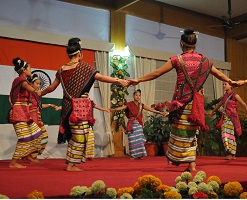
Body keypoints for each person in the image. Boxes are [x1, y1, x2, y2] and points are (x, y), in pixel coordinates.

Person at [129, 27, 234, 172]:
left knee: (182, 132)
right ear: (195, 44)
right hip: (196, 104)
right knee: (191, 133)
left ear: (181, 44)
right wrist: (232, 81)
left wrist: (139, 80)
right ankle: (191, 164)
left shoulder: (177, 59)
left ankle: (190, 164)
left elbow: (157, 73)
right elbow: (219, 74)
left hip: (181, 104)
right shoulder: (204, 61)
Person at [40, 38, 129, 171]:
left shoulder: (61, 70)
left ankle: (72, 162)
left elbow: (51, 88)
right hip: (80, 108)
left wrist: (39, 93)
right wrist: (119, 80)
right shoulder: (85, 67)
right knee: (80, 136)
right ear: (80, 53)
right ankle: (71, 165)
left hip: (67, 108)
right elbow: (101, 77)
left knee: (75, 136)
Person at [110, 89, 168, 159]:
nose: (138, 97)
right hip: (132, 125)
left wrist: (160, 113)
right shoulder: (129, 104)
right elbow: (122, 108)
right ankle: (133, 155)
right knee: (132, 141)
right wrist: (114, 109)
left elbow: (150, 109)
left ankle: (140, 155)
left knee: (140, 141)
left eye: (139, 95)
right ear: (133, 96)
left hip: (139, 125)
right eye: (136, 95)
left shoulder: (141, 105)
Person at [8, 57, 43, 168]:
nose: (31, 70)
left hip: (25, 113)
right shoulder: (20, 80)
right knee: (24, 138)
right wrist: (45, 90)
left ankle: (27, 155)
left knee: (37, 133)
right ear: (24, 70)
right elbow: (32, 90)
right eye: (30, 68)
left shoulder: (24, 81)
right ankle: (13, 162)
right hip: (18, 112)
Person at [208, 82, 247, 160]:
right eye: (223, 84)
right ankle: (231, 153)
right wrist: (212, 112)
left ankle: (231, 153)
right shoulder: (224, 97)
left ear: (231, 86)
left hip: (232, 118)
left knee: (227, 134)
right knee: (227, 135)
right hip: (225, 118)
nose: (224, 85)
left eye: (225, 84)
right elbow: (218, 105)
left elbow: (242, 103)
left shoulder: (235, 95)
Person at [27, 74, 60, 160]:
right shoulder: (27, 94)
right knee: (36, 138)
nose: (38, 86)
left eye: (39, 84)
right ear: (31, 84)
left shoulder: (37, 95)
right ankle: (31, 157)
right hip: (31, 119)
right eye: (37, 83)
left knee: (44, 137)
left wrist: (49, 105)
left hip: (38, 118)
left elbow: (39, 105)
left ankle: (32, 156)